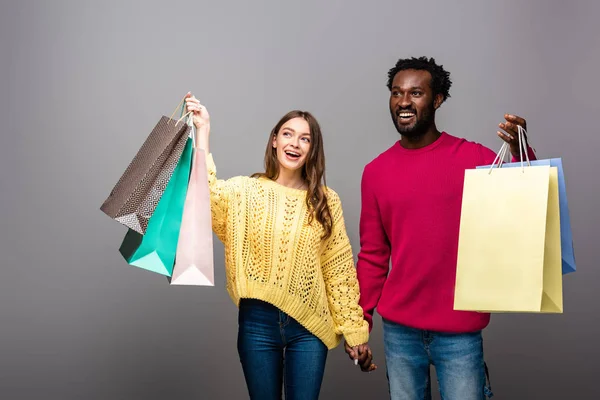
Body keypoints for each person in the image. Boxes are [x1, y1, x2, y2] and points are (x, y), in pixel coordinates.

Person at [346, 57, 537, 399]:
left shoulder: (473, 158)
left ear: (437, 100)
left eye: (416, 92)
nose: (404, 101)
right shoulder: (375, 172)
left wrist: (521, 150)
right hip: (400, 331)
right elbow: (374, 256)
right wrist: (360, 323)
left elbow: (527, 204)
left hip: (460, 331)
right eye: (396, 93)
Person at [183, 92, 375, 400]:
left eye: (305, 139)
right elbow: (205, 195)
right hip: (257, 321)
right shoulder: (246, 191)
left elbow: (337, 271)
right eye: (287, 134)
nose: (294, 144)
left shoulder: (325, 201)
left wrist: (355, 333)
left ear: (312, 150)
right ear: (274, 141)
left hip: (309, 325)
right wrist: (203, 130)